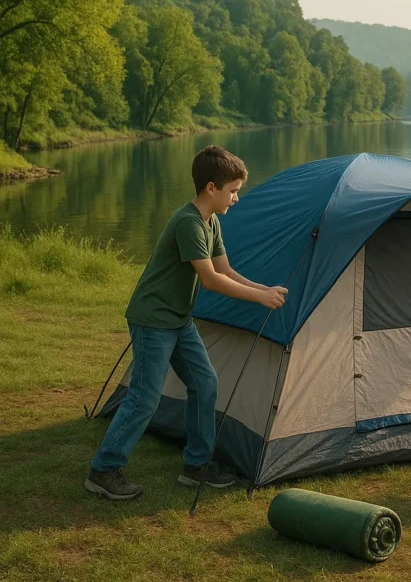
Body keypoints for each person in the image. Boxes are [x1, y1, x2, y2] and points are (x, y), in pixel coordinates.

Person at [85, 145, 288, 501]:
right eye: (233, 190)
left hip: (178, 320)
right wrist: (258, 298)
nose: (236, 198)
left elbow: (225, 269)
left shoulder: (211, 222)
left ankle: (196, 466)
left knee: (205, 383)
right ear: (211, 188)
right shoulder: (187, 223)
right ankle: (103, 470)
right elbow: (210, 280)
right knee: (144, 398)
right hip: (153, 320)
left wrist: (264, 288)